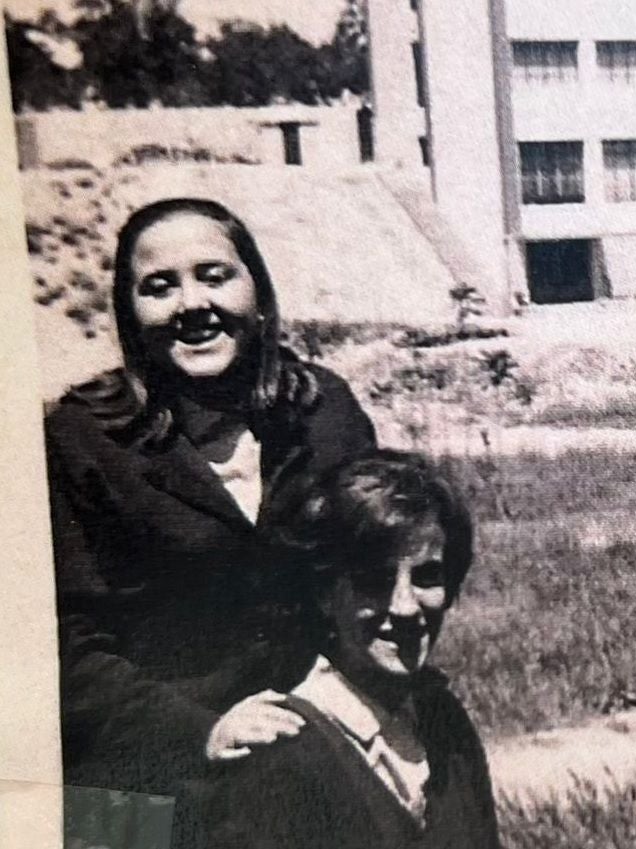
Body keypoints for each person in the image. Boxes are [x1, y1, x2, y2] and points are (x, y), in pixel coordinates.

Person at [45, 199, 376, 817]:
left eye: (214, 275)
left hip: (314, 754)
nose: (192, 304)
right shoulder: (80, 438)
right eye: (159, 287)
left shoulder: (326, 412)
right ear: (129, 312)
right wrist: (201, 730)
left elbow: (375, 575)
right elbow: (63, 644)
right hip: (145, 774)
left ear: (258, 293)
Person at [200, 451, 498, 849]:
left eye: (427, 577)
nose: (405, 606)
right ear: (325, 593)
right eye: (374, 581)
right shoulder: (282, 752)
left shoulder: (444, 722)